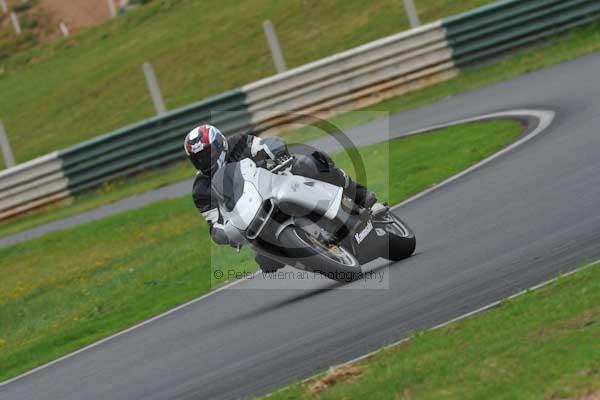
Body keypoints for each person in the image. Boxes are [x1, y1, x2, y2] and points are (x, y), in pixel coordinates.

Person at [184, 124, 385, 252]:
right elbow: (214, 222)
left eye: (208, 153)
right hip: (252, 216)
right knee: (265, 259)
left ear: (220, 144)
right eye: (198, 159)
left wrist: (278, 152)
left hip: (277, 183)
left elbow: (264, 145)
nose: (204, 160)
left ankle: (363, 197)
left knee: (310, 163)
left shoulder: (238, 143)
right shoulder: (201, 189)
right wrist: (223, 234)